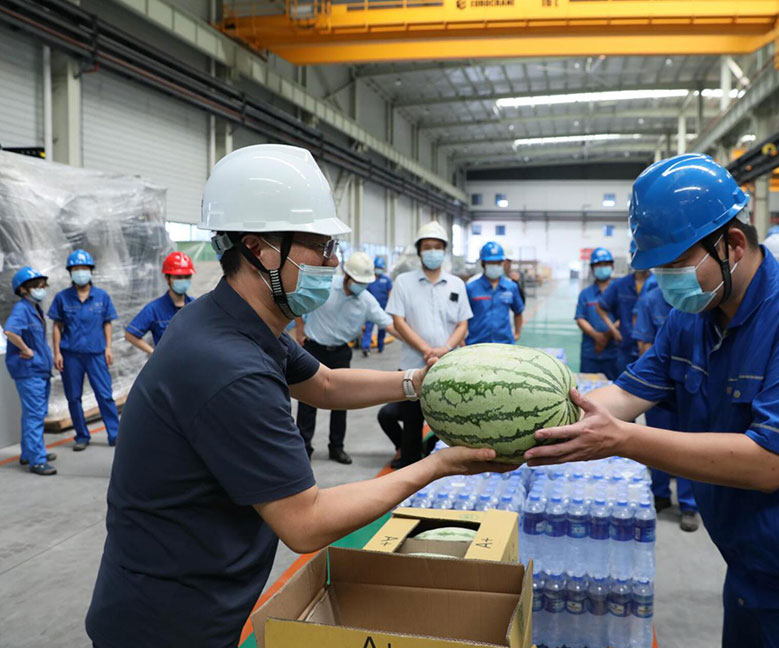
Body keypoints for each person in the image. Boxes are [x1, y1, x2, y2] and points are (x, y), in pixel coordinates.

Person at [85, 144, 503, 648]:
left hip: (188, 599)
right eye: (321, 247)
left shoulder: (234, 319)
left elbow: (324, 383)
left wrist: (419, 382)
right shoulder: (228, 368)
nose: (333, 262)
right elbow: (306, 522)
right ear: (260, 248)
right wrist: (437, 465)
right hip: (168, 621)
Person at [524, 154, 779, 648]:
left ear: (733, 244)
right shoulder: (694, 315)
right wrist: (540, 421)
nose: (666, 280)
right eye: (657, 267)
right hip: (751, 566)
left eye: (677, 263)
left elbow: (769, 465)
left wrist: (622, 440)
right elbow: (629, 392)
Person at [294, 251, 395, 464]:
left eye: (365, 283)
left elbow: (389, 324)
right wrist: (300, 331)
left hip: (341, 353)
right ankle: (304, 448)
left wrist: (420, 343)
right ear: (347, 276)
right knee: (307, 403)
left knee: (340, 402)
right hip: (314, 349)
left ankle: (336, 448)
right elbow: (297, 303)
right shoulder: (326, 287)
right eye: (358, 281)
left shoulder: (366, 300)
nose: (361, 286)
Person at [386, 221, 472, 468]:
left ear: (444, 251)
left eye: (437, 247)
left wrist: (445, 349)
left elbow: (462, 324)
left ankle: (445, 468)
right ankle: (411, 468)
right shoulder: (404, 282)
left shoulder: (456, 284)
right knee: (411, 424)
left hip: (449, 366)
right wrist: (425, 349)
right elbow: (399, 321)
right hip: (412, 367)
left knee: (452, 421)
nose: (432, 251)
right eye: (427, 247)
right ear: (420, 250)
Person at [632, 283, 699, 531]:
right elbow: (644, 344)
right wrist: (659, 378)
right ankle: (659, 494)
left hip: (691, 386)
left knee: (689, 448)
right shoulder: (651, 300)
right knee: (655, 444)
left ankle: (689, 505)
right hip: (659, 387)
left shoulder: (699, 301)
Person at [48, 249, 120, 451]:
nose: (80, 272)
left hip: (96, 353)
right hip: (71, 355)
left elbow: (107, 323)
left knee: (104, 395)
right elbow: (56, 326)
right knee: (73, 397)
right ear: (70, 272)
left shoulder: (101, 297)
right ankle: (81, 435)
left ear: (91, 271)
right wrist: (57, 353)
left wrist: (108, 347)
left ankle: (114, 434)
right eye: (76, 269)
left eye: (84, 268)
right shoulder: (63, 298)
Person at [4, 267, 57, 475]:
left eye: (42, 286)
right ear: (24, 289)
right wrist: (26, 350)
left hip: (38, 370)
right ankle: (37, 460)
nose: (41, 290)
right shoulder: (21, 309)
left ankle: (29, 453)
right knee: (35, 415)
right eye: (36, 286)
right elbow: (9, 331)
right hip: (29, 371)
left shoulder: (34, 309)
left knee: (33, 414)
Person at [125, 251, 196, 355]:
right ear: (167, 278)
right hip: (168, 368)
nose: (183, 280)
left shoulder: (195, 305)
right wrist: (154, 353)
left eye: (187, 276)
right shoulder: (154, 309)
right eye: (179, 277)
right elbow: (130, 334)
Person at [597, 251, 650, 374]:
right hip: (625, 346)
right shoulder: (621, 284)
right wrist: (614, 330)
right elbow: (600, 307)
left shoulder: (657, 285)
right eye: (635, 255)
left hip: (650, 349)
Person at [466, 241, 524, 345]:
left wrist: (517, 333)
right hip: (477, 344)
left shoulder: (511, 287)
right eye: (491, 263)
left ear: (502, 263)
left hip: (504, 343)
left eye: (498, 263)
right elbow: (462, 317)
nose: (495, 266)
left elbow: (518, 311)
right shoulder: (471, 287)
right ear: (483, 264)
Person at [574, 247, 618, 379]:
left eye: (605, 264)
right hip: (591, 351)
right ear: (592, 268)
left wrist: (607, 336)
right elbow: (580, 318)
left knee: (614, 389)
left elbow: (624, 317)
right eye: (598, 265)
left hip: (614, 351)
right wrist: (596, 336)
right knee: (587, 387)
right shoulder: (585, 294)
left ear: (611, 266)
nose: (602, 267)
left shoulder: (620, 291)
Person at [361, 255, 392, 357]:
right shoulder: (369, 280)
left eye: (381, 268)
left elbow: (390, 293)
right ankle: (366, 347)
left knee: (382, 328)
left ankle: (380, 345)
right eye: (378, 267)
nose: (379, 270)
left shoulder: (387, 280)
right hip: (370, 309)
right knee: (368, 328)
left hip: (383, 308)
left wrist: (390, 308)